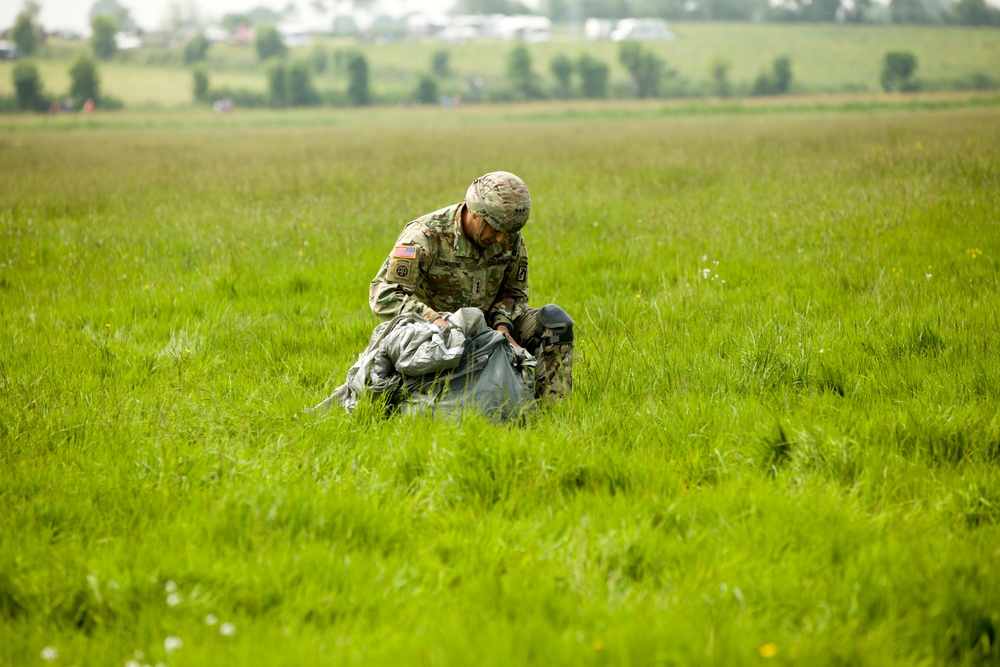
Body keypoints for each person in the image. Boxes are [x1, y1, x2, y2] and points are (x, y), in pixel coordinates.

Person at [370, 171, 574, 400]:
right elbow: (384, 293)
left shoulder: (509, 237)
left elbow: (513, 293)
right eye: (495, 229)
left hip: (489, 328)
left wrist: (502, 328)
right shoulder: (424, 235)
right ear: (475, 212)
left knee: (555, 323)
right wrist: (438, 322)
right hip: (435, 334)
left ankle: (550, 409)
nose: (500, 240)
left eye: (508, 233)